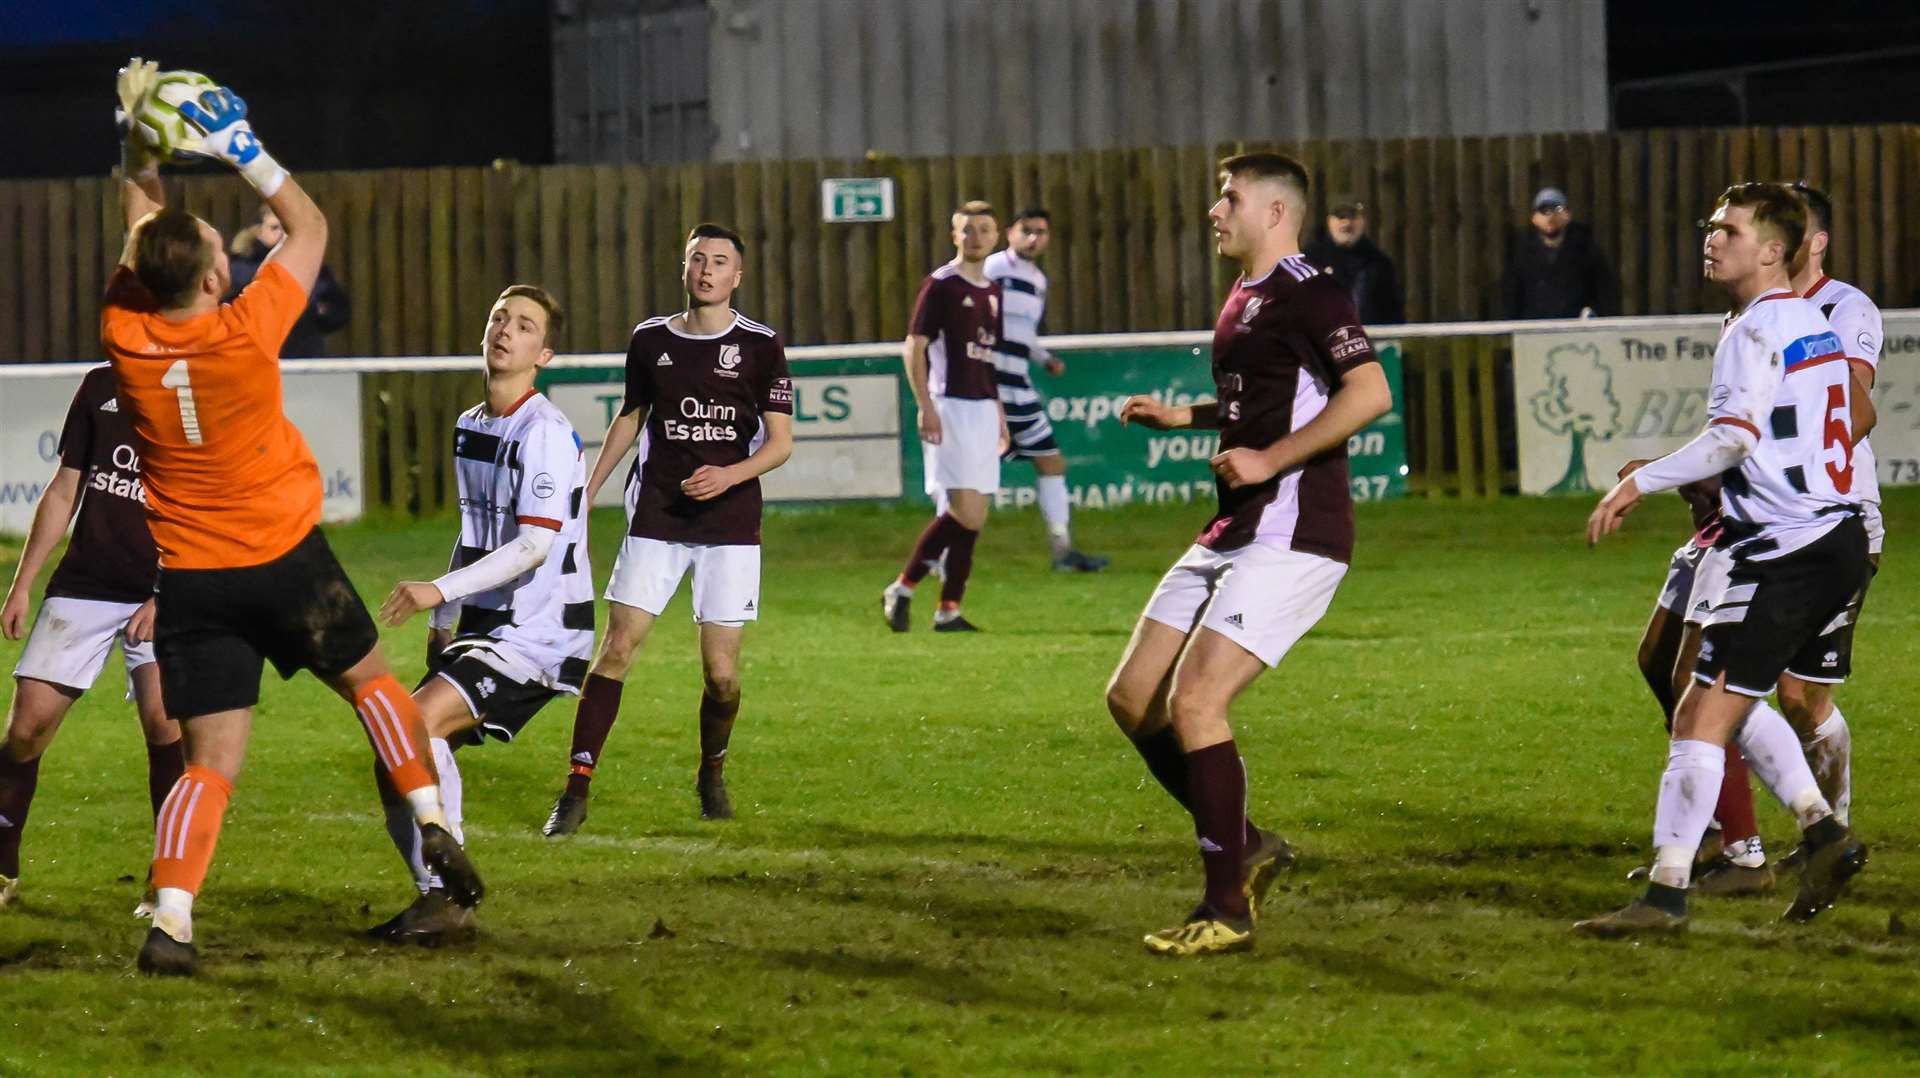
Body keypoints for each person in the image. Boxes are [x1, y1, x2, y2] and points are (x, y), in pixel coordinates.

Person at [102, 60, 475, 975]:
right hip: (285, 562)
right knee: (376, 690)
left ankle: (174, 920)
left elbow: (144, 221)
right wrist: (242, 150)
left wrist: (137, 135)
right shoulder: (245, 328)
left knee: (208, 768)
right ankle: (432, 820)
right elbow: (309, 224)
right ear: (221, 271)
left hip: (193, 583)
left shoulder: (127, 332)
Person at [1108, 152, 1393, 957]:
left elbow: (1369, 393)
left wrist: (1270, 461)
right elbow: (1256, 406)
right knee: (1133, 700)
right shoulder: (1244, 297)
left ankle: (1225, 907)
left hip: (1296, 533)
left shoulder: (1313, 292)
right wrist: (1185, 417)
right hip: (1234, 526)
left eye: (1228, 197)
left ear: (1275, 212)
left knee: (1197, 704)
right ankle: (1252, 844)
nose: (1214, 210)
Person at [1579, 182, 1869, 937]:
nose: (1712, 239)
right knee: (1712, 702)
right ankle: (1820, 833)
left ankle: (1670, 895)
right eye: (1710, 227)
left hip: (1790, 548)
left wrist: (1641, 481)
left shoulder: (1755, 330)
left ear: (1774, 250)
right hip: (1817, 539)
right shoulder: (1810, 318)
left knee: (1702, 717)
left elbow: (1735, 438)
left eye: (1729, 230)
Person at [543, 223, 793, 835]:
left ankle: (711, 771)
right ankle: (575, 790)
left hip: (730, 523)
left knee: (722, 674)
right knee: (618, 647)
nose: (707, 270)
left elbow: (782, 444)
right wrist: (588, 491)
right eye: (697, 259)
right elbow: (630, 418)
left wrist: (730, 475)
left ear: (737, 277)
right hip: (656, 514)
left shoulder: (761, 346)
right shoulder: (650, 339)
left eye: (720, 262)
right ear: (684, 268)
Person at [367, 284, 591, 942]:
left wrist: (436, 590)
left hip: (543, 630)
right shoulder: (473, 424)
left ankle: (448, 894)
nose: (505, 330)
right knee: (394, 749)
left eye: (524, 325)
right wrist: (445, 621)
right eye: (499, 317)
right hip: (488, 627)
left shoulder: (544, 432)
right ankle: (435, 893)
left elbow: (533, 543)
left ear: (542, 353)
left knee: (412, 725)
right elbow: (475, 533)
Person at [0, 366, 182, 910]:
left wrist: (164, 593)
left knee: (163, 721)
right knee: (26, 728)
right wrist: (23, 584)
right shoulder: (101, 385)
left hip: (166, 582)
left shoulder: (199, 389)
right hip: (87, 582)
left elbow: (208, 506)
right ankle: (2, 866)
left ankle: (168, 883)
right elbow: (64, 488)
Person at [880, 201, 1010, 633]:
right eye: (967, 229)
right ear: (954, 235)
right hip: (950, 405)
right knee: (965, 511)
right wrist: (926, 405)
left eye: (984, 229)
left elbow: (988, 358)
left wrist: (1000, 412)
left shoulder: (994, 291)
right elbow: (914, 346)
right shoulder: (941, 285)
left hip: (982, 409)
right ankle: (902, 586)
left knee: (977, 514)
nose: (975, 237)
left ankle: (948, 608)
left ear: (997, 237)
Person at [980, 208, 1107, 572]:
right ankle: (942, 555)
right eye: (1027, 231)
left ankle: (1062, 550)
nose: (1034, 238)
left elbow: (1022, 331)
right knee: (974, 472)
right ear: (1010, 233)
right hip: (989, 385)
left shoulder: (1037, 280)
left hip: (1019, 385)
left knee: (1050, 461)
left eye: (1041, 232)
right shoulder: (992, 269)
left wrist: (1043, 357)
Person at [225, 204, 350, 357]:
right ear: (258, 231)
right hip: (255, 358)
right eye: (275, 227)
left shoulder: (313, 267)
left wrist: (321, 311)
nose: (283, 234)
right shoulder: (237, 269)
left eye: (288, 229)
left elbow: (338, 309)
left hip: (305, 357)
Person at [1500, 187, 1619, 320]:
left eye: (1557, 210)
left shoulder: (1587, 251)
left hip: (1576, 332)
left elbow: (1605, 293)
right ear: (1534, 218)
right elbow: (1510, 298)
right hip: (1533, 332)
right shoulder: (1519, 254)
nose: (1550, 217)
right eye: (1544, 211)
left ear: (1568, 215)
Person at [1302, 195, 1403, 325]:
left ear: (1362, 221)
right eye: (1341, 217)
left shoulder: (1379, 263)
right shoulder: (1311, 258)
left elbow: (1393, 312)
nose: (1347, 223)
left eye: (1352, 217)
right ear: (1329, 221)